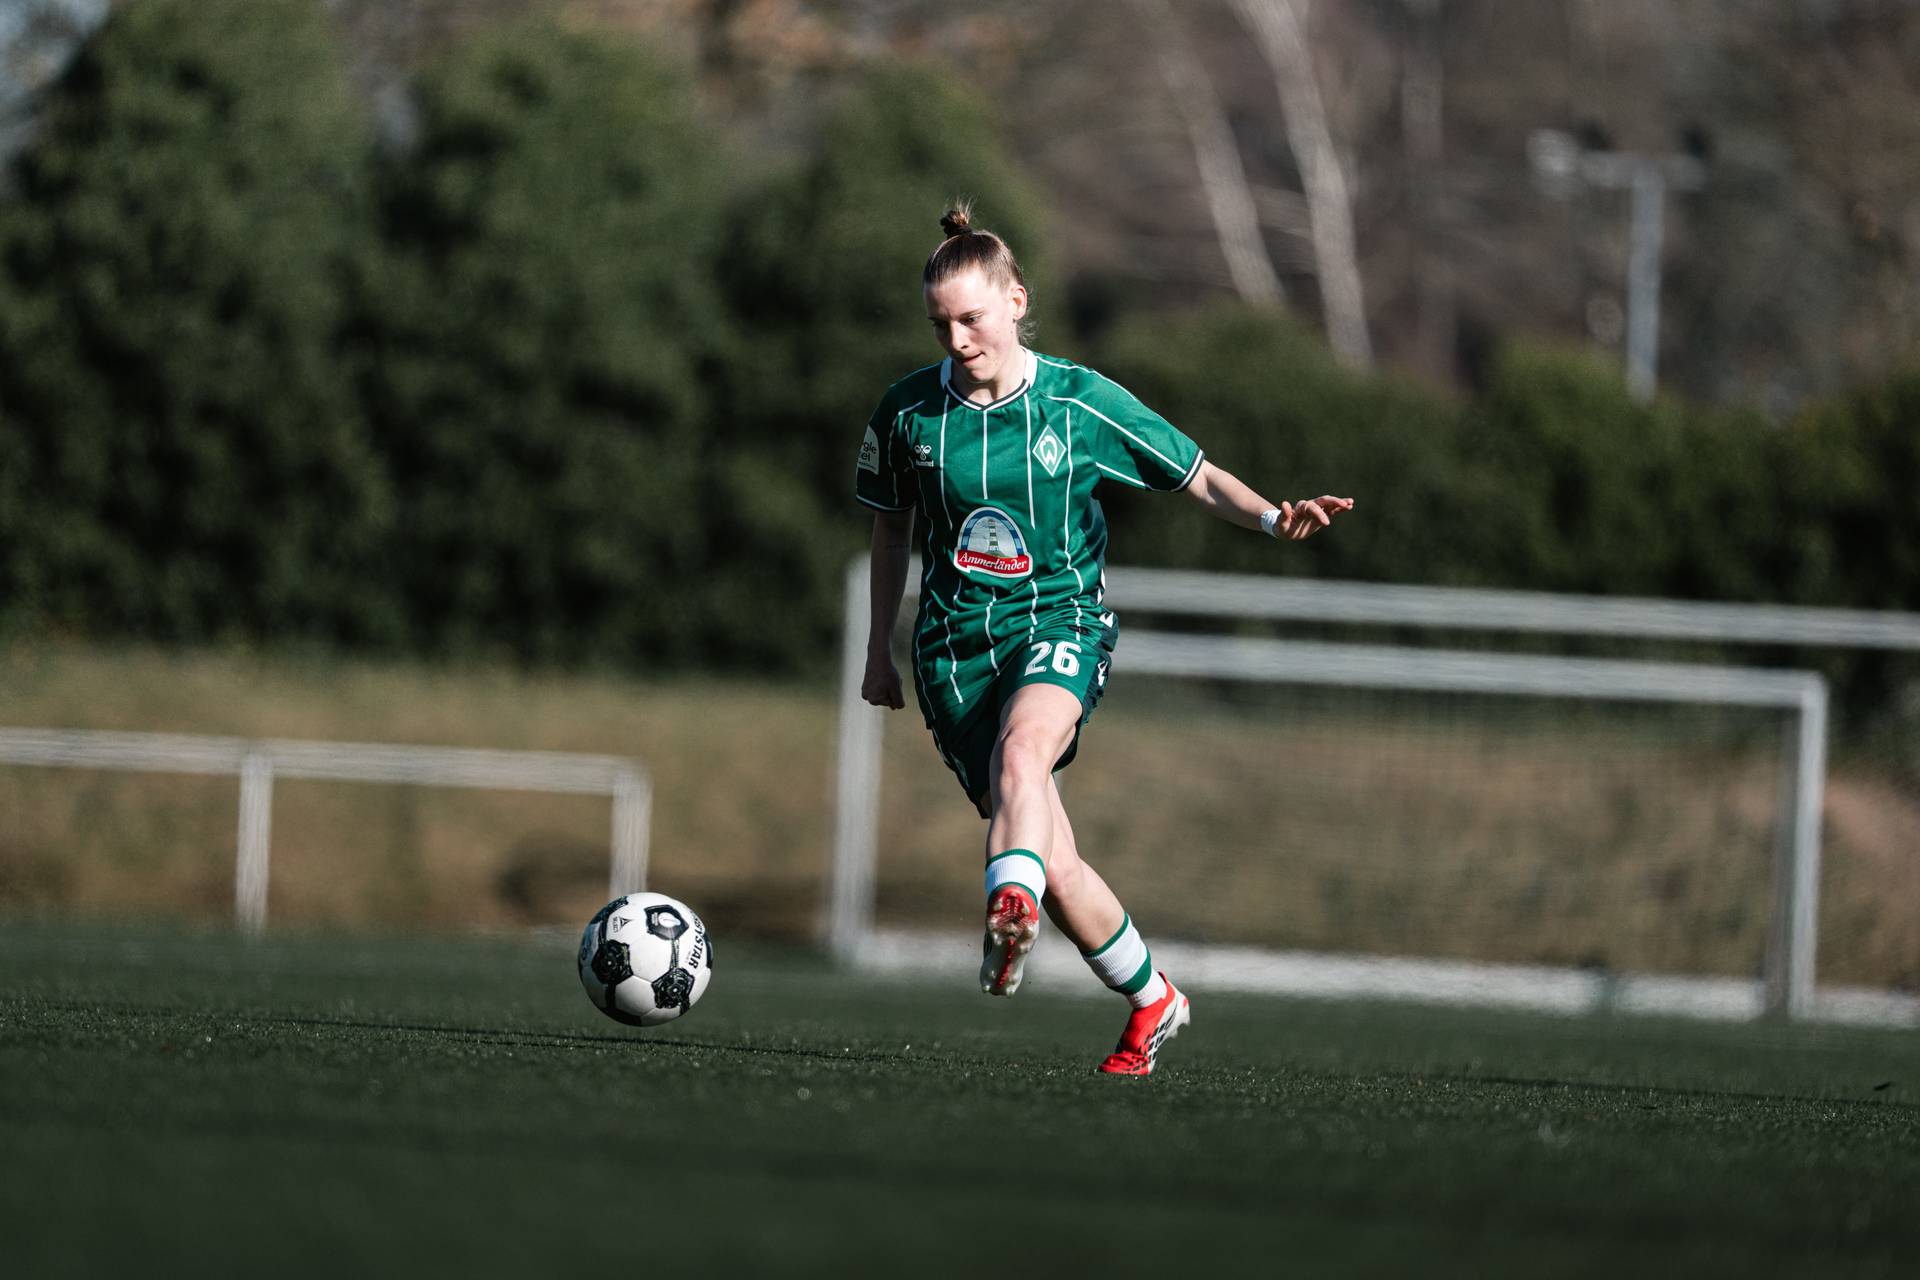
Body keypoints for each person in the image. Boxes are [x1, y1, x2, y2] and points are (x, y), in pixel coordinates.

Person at [854, 204, 1353, 1076]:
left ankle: (1007, 905)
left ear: (1015, 301)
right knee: (1057, 856)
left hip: (1060, 624)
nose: (958, 338)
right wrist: (875, 650)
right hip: (952, 654)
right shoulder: (906, 415)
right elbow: (890, 532)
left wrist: (1277, 518)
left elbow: (1196, 478)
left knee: (1024, 762)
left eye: (972, 318)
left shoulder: (1080, 404)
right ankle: (1154, 996)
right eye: (941, 324)